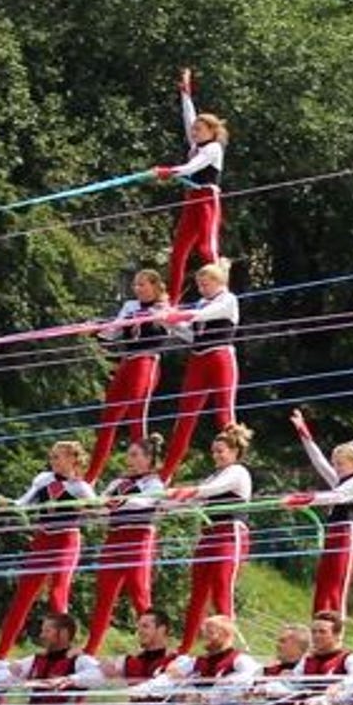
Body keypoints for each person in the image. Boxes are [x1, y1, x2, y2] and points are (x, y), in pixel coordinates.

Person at [0, 442, 97, 658]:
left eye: (59, 457)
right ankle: (1, 652)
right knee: (23, 596)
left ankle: (61, 653)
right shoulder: (43, 479)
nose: (53, 461)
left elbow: (100, 508)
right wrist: (8, 503)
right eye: (52, 457)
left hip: (66, 541)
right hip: (42, 541)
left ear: (73, 459)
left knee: (58, 593)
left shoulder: (81, 487)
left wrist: (93, 506)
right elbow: (23, 503)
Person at [171, 423, 257, 646]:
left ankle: (231, 647)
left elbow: (209, 491)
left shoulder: (238, 472)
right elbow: (195, 499)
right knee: (197, 594)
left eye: (221, 451)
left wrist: (185, 492)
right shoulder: (212, 476)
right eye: (214, 451)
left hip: (230, 533)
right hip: (209, 536)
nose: (216, 456)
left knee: (221, 591)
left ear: (234, 452)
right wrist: (165, 502)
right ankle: (185, 648)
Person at [88, 270, 175, 483]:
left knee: (137, 413)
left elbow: (184, 330)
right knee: (109, 418)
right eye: (135, 285)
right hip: (127, 362)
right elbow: (114, 330)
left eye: (142, 285)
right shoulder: (129, 306)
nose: (137, 289)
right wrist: (95, 328)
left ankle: (144, 473)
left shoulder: (164, 309)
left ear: (155, 287)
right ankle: (91, 476)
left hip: (147, 362)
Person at [156, 260, 241, 476]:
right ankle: (165, 474)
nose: (201, 289)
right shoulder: (201, 303)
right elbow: (193, 335)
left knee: (224, 413)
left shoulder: (228, 300)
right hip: (198, 360)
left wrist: (178, 315)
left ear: (218, 282)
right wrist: (169, 323)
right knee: (185, 417)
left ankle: (232, 466)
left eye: (205, 284)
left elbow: (205, 315)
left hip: (220, 358)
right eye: (199, 285)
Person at [284, 410, 353, 619]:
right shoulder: (340, 479)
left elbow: (335, 497)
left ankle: (336, 638)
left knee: (336, 589)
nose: (336, 467)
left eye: (341, 464)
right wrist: (303, 431)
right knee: (323, 586)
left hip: (347, 537)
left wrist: (300, 499)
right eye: (336, 463)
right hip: (333, 536)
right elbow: (318, 461)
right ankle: (318, 634)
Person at [87, 437, 168, 653]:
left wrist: (113, 503)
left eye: (135, 455)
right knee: (104, 596)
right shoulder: (117, 483)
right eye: (128, 454)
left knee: (140, 595)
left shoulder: (154, 483)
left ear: (149, 459)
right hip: (114, 540)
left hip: (138, 539)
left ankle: (156, 649)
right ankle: (91, 649)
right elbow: (98, 505)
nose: (129, 459)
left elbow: (143, 502)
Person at [152, 69, 229, 294]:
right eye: (193, 129)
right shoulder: (196, 145)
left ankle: (222, 292)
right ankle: (172, 301)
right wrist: (185, 93)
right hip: (191, 199)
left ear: (212, 131)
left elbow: (191, 168)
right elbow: (188, 116)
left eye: (199, 129)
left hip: (207, 198)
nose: (193, 132)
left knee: (206, 248)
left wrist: (168, 171)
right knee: (178, 253)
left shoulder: (214, 148)